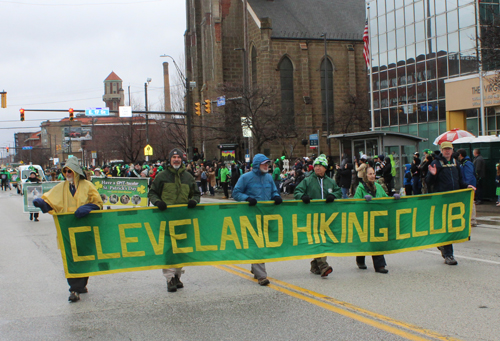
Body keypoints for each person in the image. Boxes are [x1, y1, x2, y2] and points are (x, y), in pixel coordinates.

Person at [33, 157, 103, 302]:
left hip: (85, 231)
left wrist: (87, 207)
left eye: (70, 170)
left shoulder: (88, 186)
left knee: (84, 259)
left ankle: (81, 285)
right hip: (68, 231)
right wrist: (42, 203)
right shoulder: (62, 187)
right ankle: (74, 289)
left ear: (76, 172)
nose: (67, 173)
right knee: (71, 260)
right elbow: (51, 202)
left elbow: (98, 203)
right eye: (65, 171)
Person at [148, 148, 200, 292]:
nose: (176, 159)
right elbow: (152, 193)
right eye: (174, 157)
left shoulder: (188, 177)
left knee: (181, 249)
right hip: (166, 220)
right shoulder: (161, 176)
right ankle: (170, 278)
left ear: (182, 160)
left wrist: (194, 201)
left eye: (178, 157)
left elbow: (196, 194)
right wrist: (158, 202)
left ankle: (177, 275)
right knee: (169, 249)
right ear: (169, 160)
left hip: (183, 220)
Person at [232, 154, 282, 286]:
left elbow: (274, 191)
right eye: (264, 164)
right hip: (251, 218)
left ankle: (256, 268)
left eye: (267, 164)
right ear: (256, 165)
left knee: (263, 243)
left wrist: (276, 197)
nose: (266, 166)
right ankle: (261, 275)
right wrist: (247, 198)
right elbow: (236, 193)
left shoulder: (269, 178)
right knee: (257, 244)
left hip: (266, 216)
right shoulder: (246, 178)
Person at [426, 142, 476, 266]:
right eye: (445, 149)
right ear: (441, 150)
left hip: (454, 200)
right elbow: (428, 182)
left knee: (450, 226)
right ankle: (449, 254)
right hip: (442, 200)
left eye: (449, 149)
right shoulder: (436, 163)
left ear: (452, 150)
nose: (447, 151)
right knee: (446, 227)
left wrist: (466, 186)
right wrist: (432, 175)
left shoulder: (456, 163)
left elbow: (460, 180)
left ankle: (442, 244)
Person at [293, 154, 341, 278]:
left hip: (327, 218)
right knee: (319, 240)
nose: (318, 168)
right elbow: (297, 191)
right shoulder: (307, 180)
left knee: (322, 240)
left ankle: (315, 265)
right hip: (312, 217)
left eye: (320, 166)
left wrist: (333, 196)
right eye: (316, 166)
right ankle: (324, 266)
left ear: (325, 168)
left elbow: (338, 192)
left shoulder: (330, 182)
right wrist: (303, 197)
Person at [353, 166, 394, 273]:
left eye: (373, 174)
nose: (372, 176)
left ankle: (380, 265)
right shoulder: (360, 188)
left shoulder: (378, 187)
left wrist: (394, 199)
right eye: (370, 174)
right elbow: (356, 203)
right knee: (364, 242)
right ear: (365, 175)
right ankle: (360, 259)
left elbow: (385, 198)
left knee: (377, 241)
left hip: (377, 219)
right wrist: (363, 201)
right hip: (365, 219)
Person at [457, 149, 477, 227]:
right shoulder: (465, 163)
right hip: (467, 185)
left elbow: (469, 176)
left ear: (460, 155)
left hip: (469, 187)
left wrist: (467, 185)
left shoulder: (467, 163)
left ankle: (472, 220)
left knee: (471, 202)